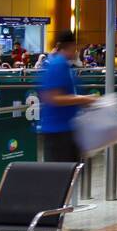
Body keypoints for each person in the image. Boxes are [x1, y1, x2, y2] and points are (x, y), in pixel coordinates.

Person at [38, 31, 95, 163]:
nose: (76, 50)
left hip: (67, 129)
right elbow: (53, 97)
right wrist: (85, 99)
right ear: (68, 46)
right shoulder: (58, 65)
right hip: (59, 132)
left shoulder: (64, 65)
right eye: (75, 46)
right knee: (61, 177)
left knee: (68, 175)